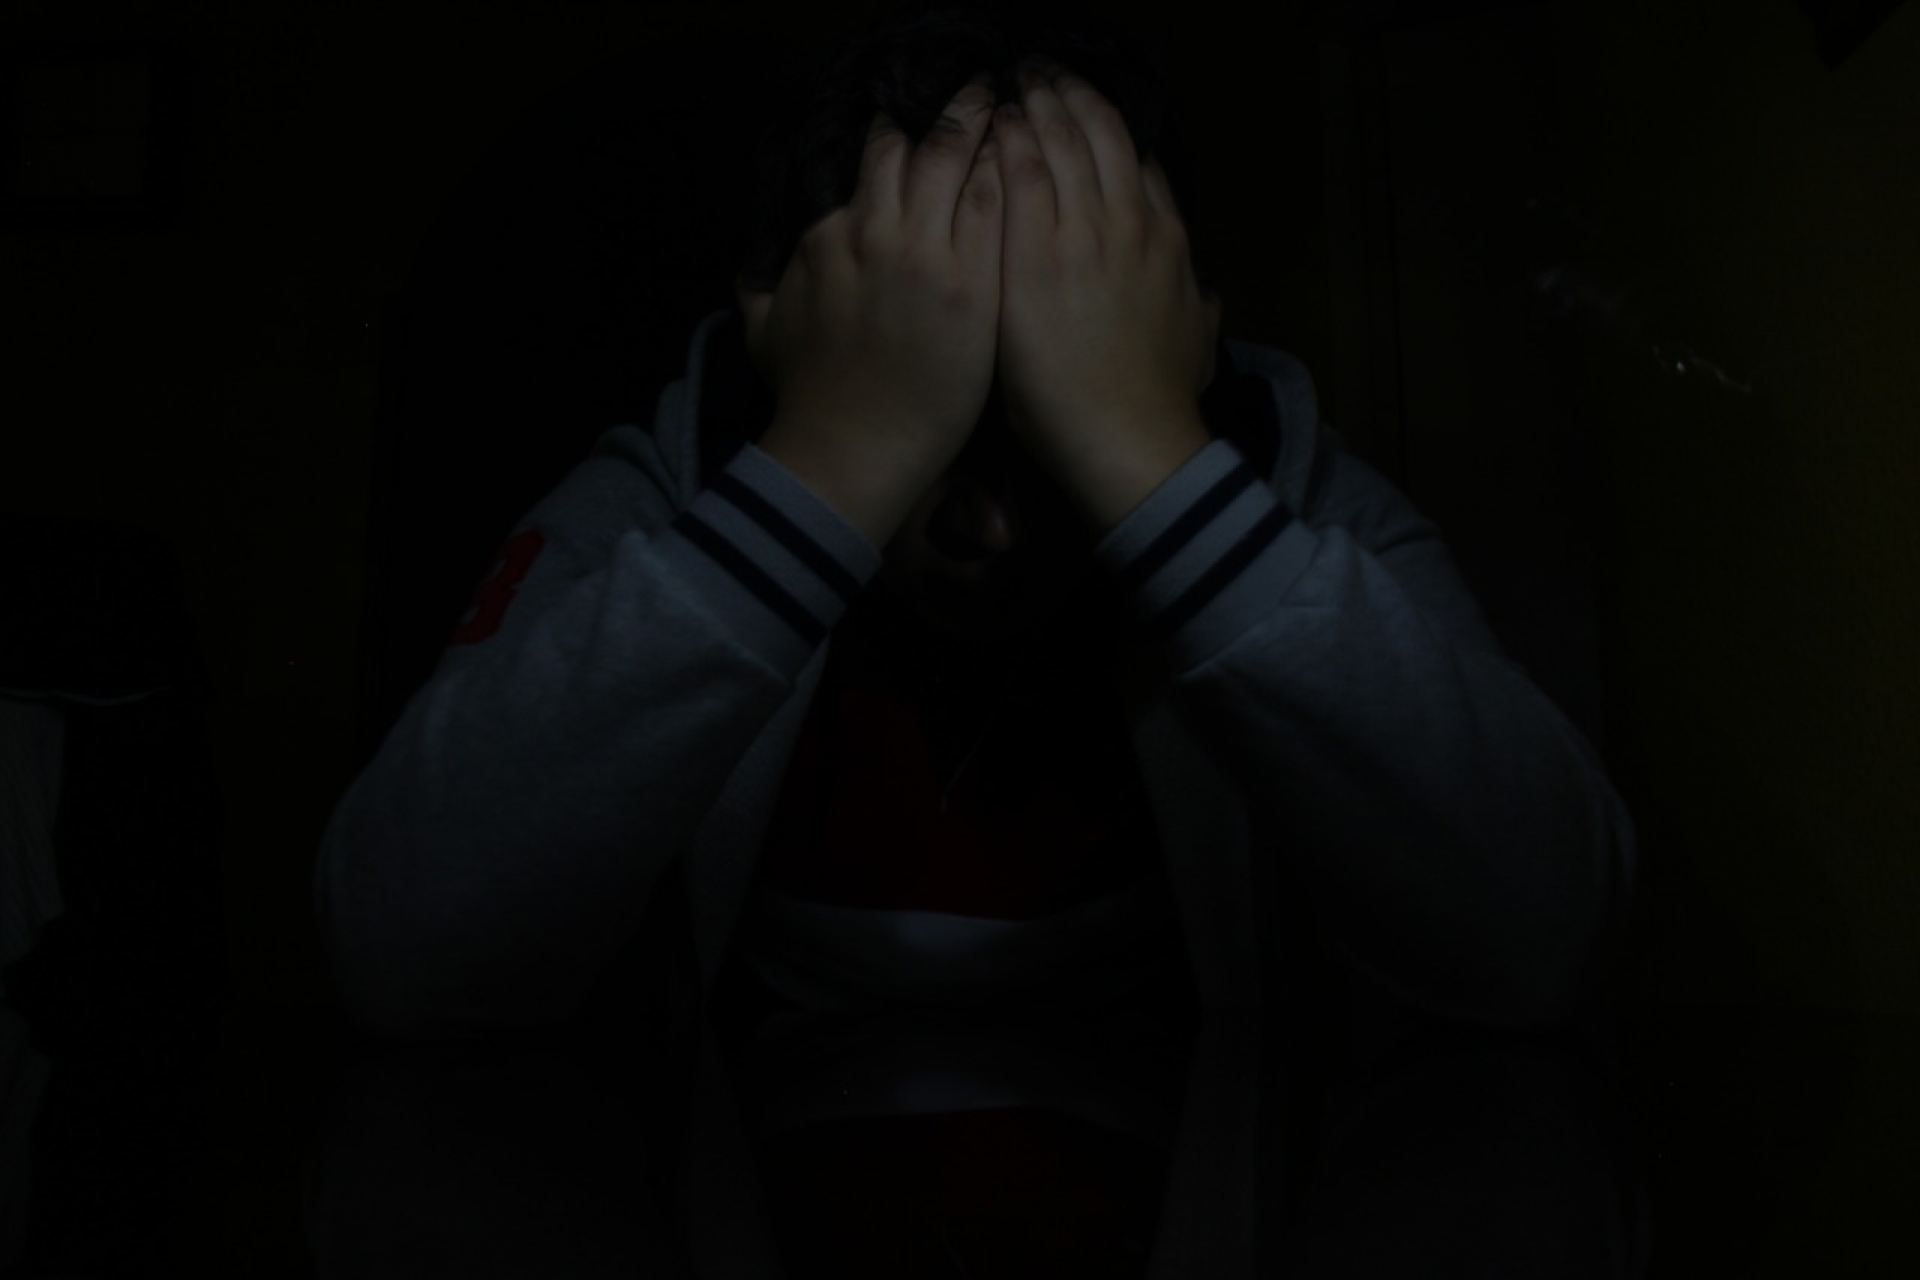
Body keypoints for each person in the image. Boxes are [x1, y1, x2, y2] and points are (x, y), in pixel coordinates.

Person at [314, 0, 1634, 1083]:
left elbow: (1545, 941)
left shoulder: (1283, 488)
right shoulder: (679, 483)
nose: (988, 525)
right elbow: (399, 948)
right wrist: (833, 454)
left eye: (1041, 438)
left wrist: (1148, 456)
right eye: (937, 437)